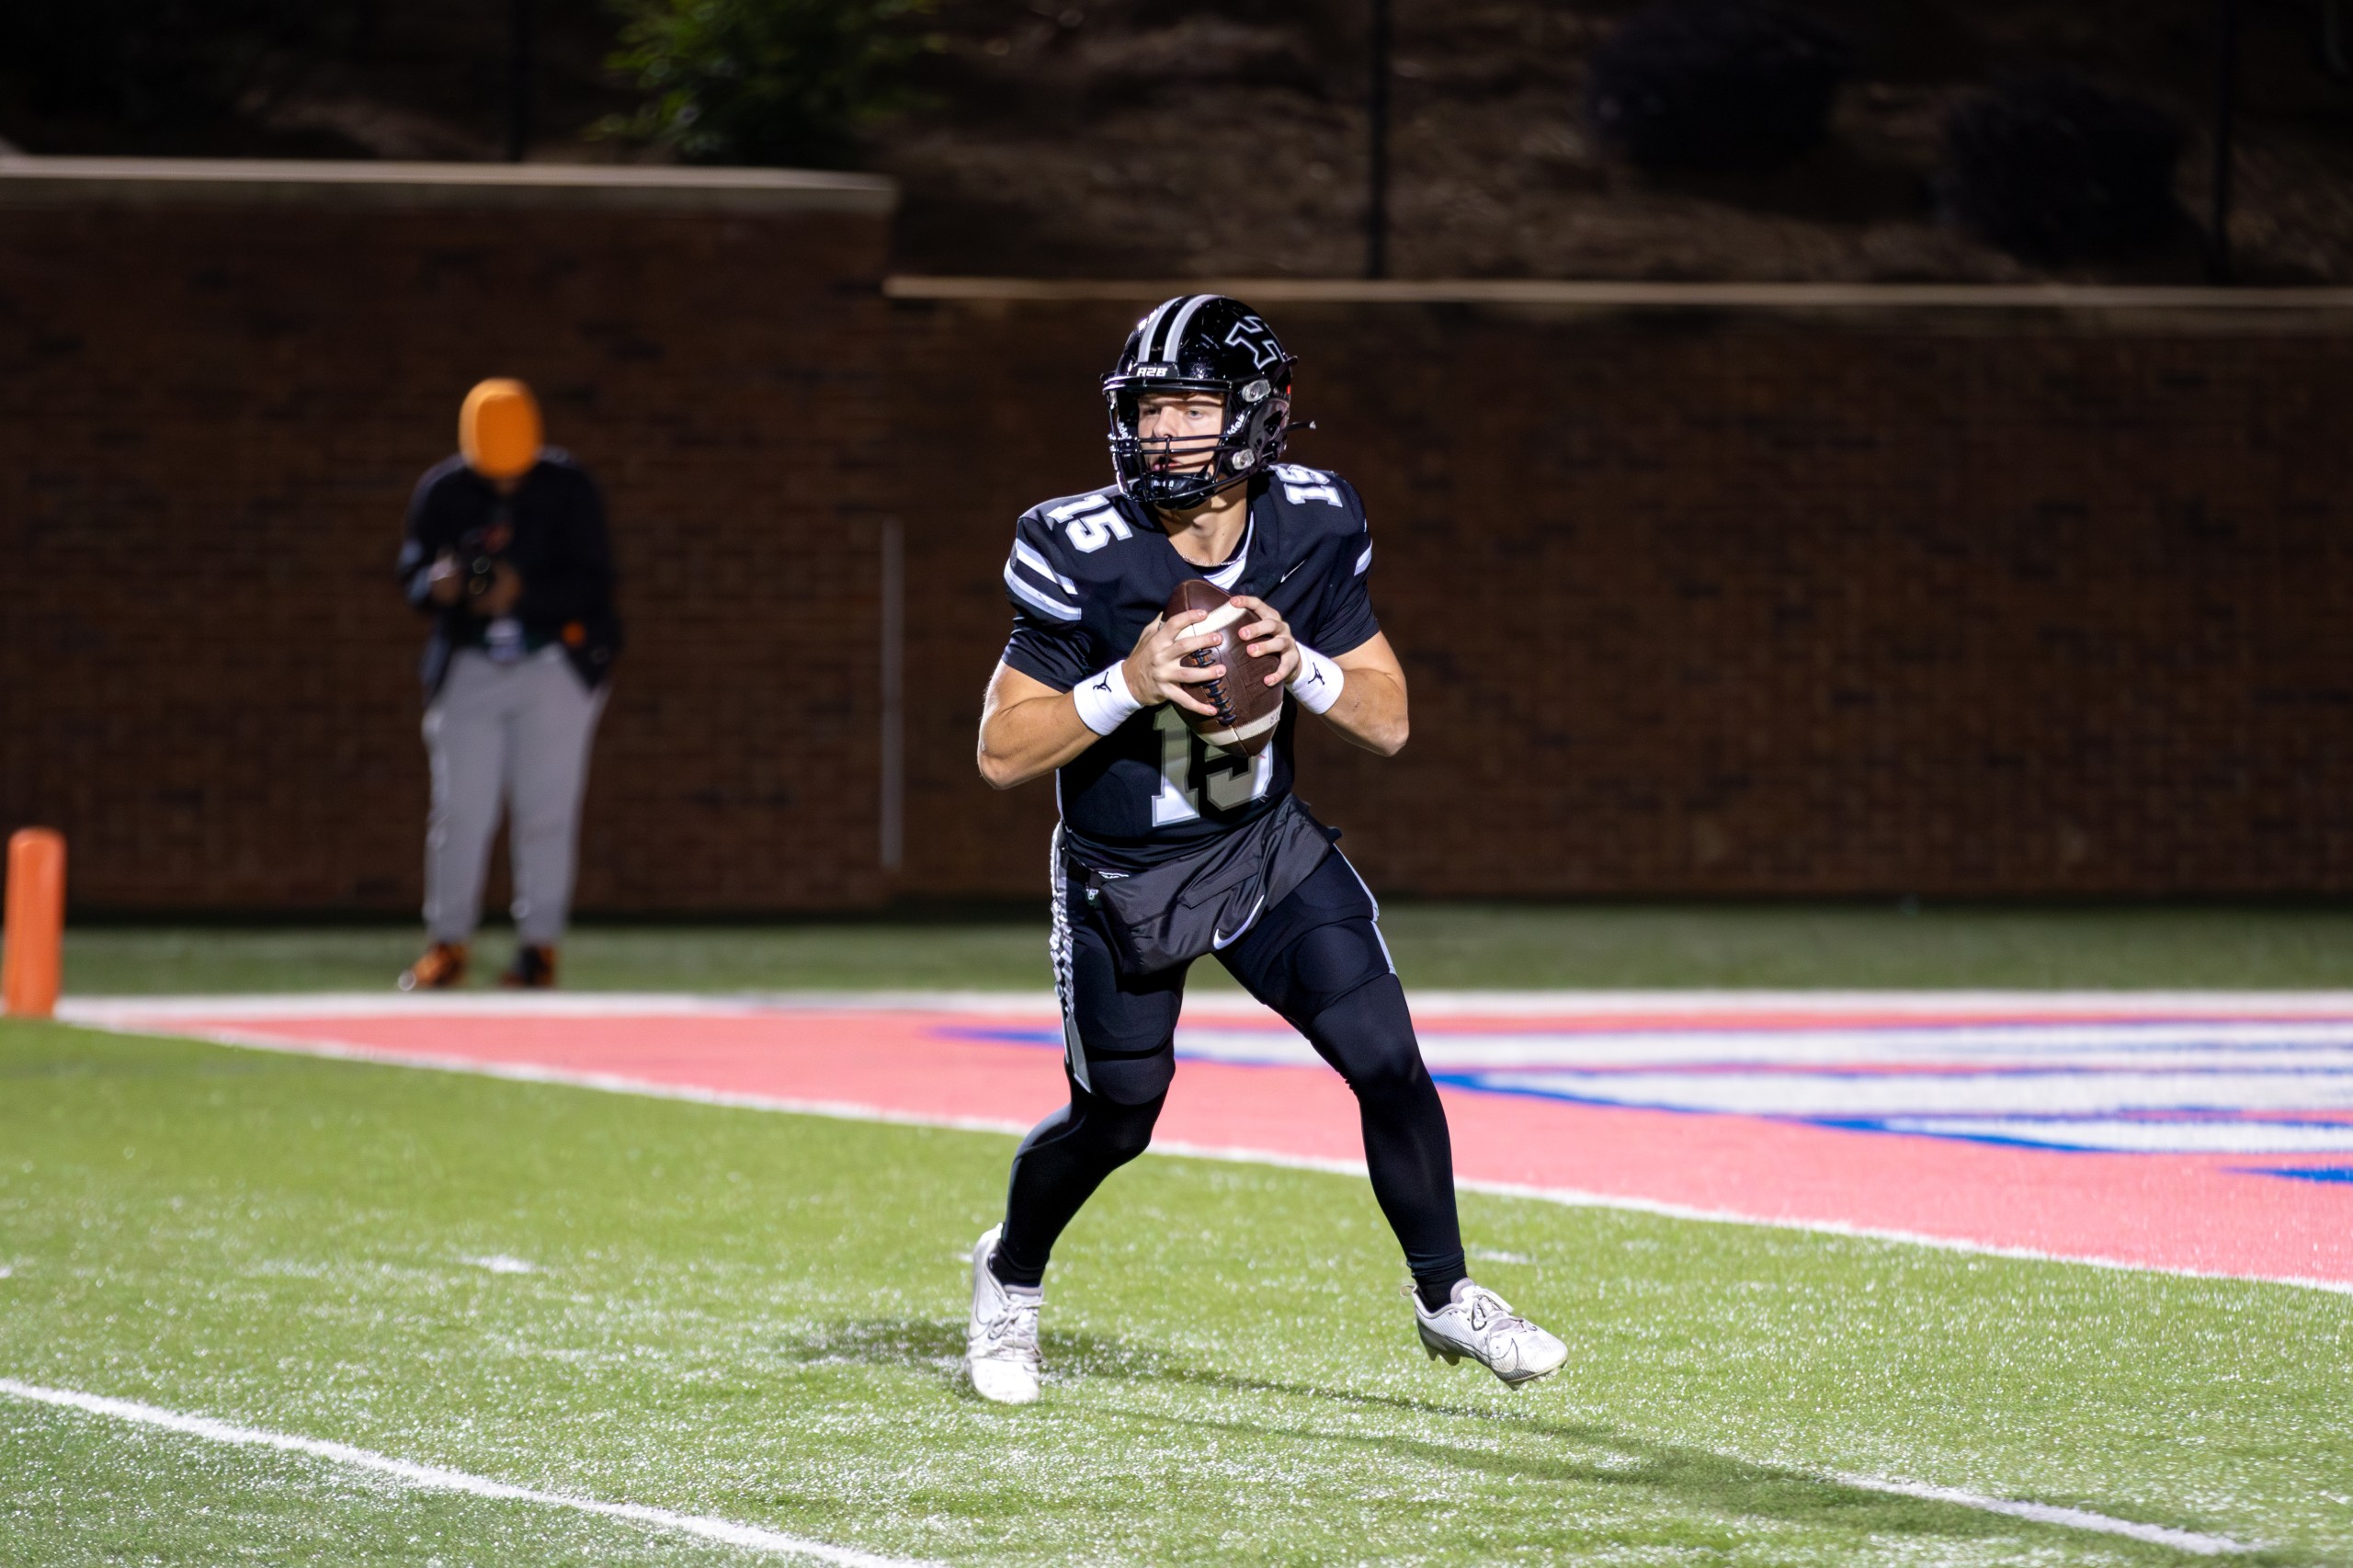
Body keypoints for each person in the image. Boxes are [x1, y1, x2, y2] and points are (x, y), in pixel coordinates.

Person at [963, 295, 1567, 1404]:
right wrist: (1127, 680)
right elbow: (1002, 752)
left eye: (1189, 406)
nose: (1161, 432)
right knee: (1117, 1120)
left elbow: (1388, 720)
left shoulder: (1314, 520)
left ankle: (1445, 1294)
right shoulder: (1077, 545)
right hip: (1125, 876)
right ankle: (1010, 1271)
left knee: (1387, 1058)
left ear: (1256, 412)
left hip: (1263, 846)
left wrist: (1304, 667)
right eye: (1148, 407)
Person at [392, 379, 620, 991]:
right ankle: (447, 942)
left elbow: (596, 581)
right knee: (459, 811)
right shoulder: (444, 491)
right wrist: (437, 586)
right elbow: (412, 570)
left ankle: (538, 948)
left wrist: (525, 593)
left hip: (553, 663)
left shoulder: (568, 488)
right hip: (469, 662)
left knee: (546, 810)